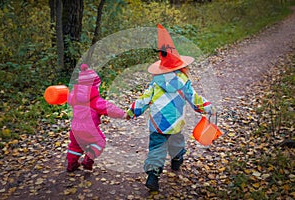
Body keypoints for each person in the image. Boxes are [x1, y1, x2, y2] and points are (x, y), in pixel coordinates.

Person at [126, 24, 215, 191]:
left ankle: (153, 175)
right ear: (180, 66)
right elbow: (195, 99)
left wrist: (132, 112)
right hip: (174, 124)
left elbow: (143, 100)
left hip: (158, 124)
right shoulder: (184, 82)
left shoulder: (155, 83)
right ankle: (177, 160)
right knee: (177, 144)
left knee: (156, 149)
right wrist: (208, 108)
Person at [66, 64, 126, 172]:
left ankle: (71, 164)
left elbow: (68, 99)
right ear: (94, 86)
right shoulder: (95, 100)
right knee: (100, 142)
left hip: (75, 129)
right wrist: (122, 114)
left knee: (75, 146)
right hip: (90, 129)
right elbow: (109, 108)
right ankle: (89, 159)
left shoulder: (73, 96)